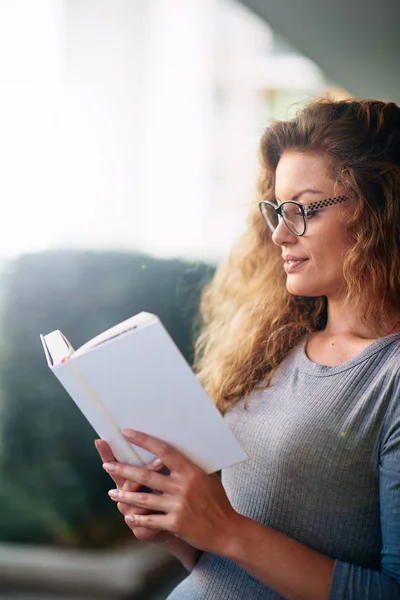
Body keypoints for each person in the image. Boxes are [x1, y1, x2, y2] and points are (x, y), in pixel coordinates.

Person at [95, 98, 400, 599]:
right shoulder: (277, 348)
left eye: (302, 209)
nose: (279, 233)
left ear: (378, 211)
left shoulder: (388, 376)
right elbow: (230, 562)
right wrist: (177, 528)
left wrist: (225, 530)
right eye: (277, 209)